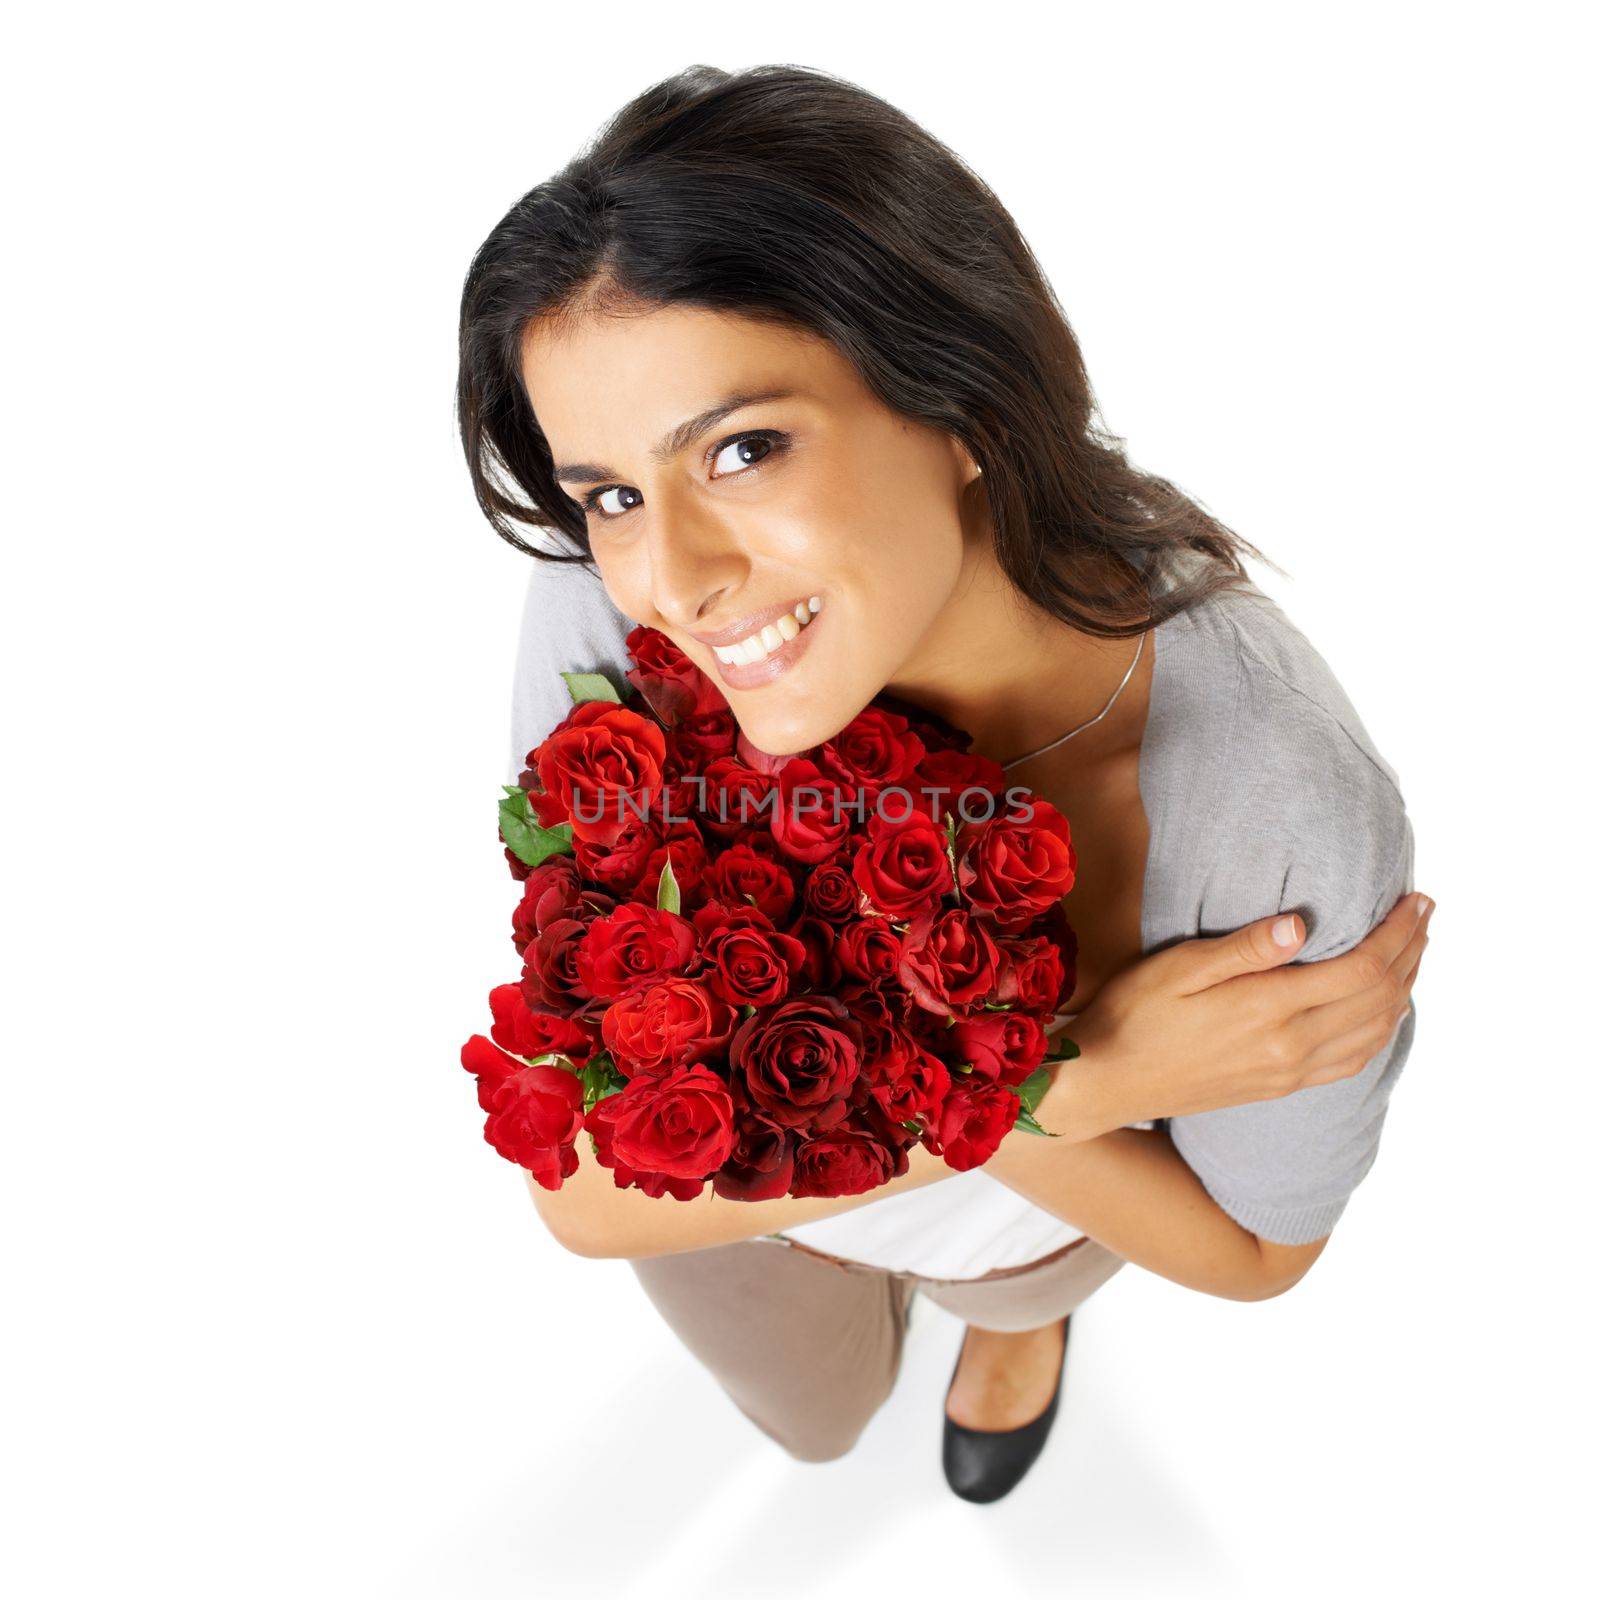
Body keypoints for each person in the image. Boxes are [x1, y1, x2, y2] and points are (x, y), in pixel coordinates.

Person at [456, 63, 1432, 1501]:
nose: (669, 579)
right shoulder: (620, 621)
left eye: (740, 448)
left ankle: (1013, 1342)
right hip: (749, 1219)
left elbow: (1256, 1254)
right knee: (815, 1419)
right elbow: (586, 1202)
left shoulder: (1271, 807)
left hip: (1047, 1226)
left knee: (1018, 1294)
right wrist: (1080, 1080)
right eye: (609, 493)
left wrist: (1010, 1134)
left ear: (964, 396)